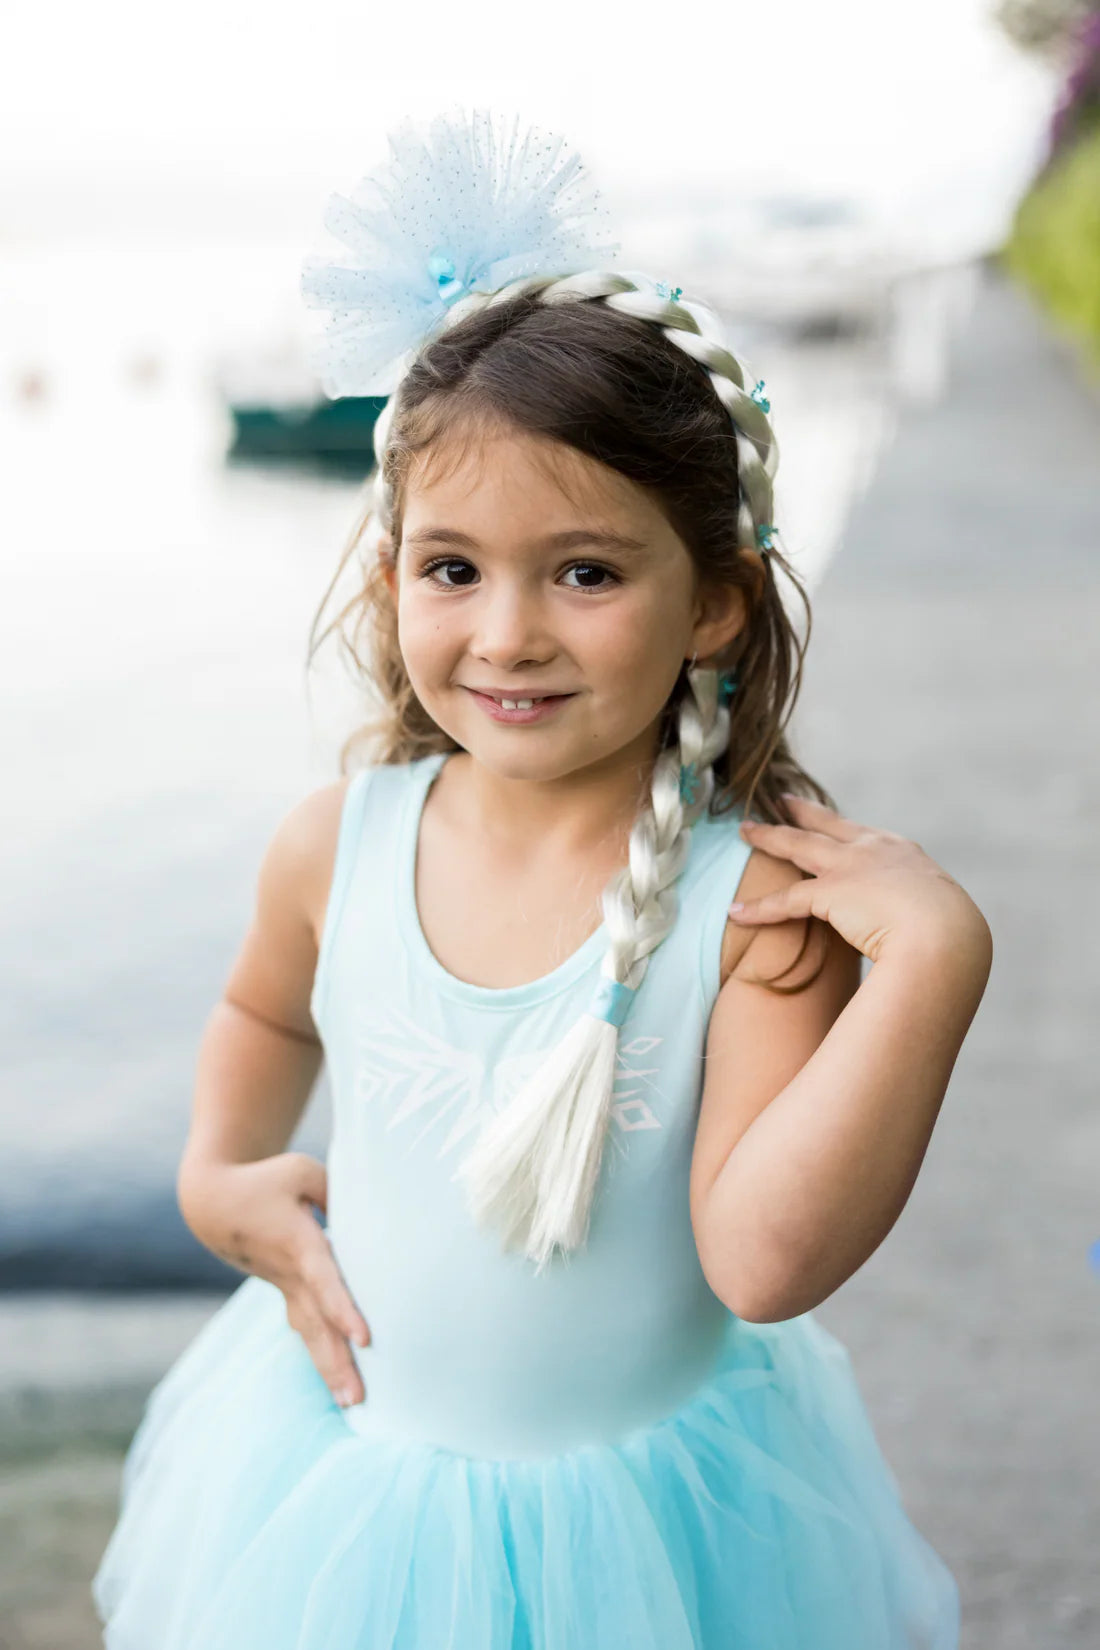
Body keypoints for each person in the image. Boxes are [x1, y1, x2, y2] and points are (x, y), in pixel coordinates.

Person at [92, 110, 991, 1648]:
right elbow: (264, 1012)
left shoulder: (755, 910)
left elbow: (765, 1261)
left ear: (712, 602)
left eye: (585, 570)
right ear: (392, 575)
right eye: (454, 568)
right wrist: (218, 1173)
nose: (507, 632)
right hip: (345, 1495)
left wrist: (932, 967)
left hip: (638, 1542)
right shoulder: (337, 843)